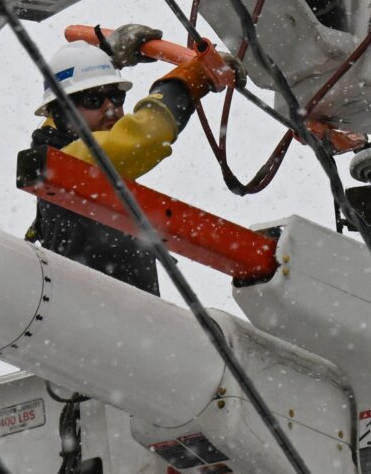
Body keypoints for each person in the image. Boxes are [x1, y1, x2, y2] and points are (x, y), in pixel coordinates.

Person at [24, 26, 227, 293]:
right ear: (61, 111)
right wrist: (188, 80)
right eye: (93, 98)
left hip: (118, 319)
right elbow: (146, 137)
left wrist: (104, 57)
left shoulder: (59, 156)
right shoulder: (72, 161)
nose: (111, 108)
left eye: (116, 96)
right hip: (107, 321)